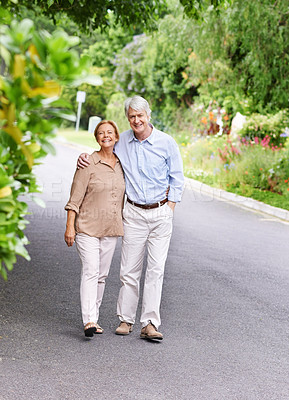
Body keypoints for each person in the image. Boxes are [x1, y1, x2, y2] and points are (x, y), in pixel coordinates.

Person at [77, 96, 184, 341]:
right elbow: (102, 151)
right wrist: (83, 157)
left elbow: (177, 178)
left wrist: (170, 208)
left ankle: (149, 323)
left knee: (156, 270)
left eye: (140, 116)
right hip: (134, 213)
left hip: (160, 213)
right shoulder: (122, 140)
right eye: (132, 117)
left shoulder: (166, 143)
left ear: (148, 115)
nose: (136, 120)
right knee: (129, 271)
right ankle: (126, 319)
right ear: (128, 118)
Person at [64, 120, 125, 337]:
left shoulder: (122, 163)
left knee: (102, 275)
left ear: (117, 137)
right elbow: (75, 198)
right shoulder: (87, 162)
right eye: (101, 133)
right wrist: (70, 226)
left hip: (111, 228)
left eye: (110, 132)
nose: (105, 136)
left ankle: (95, 318)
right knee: (91, 270)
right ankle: (88, 319)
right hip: (87, 228)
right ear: (96, 138)